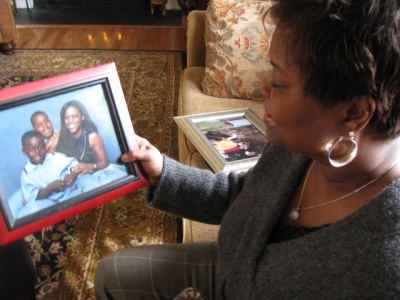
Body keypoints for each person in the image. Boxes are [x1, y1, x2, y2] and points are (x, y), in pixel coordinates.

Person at [94, 0, 400, 298]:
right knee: (112, 273)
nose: (262, 87)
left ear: (353, 113)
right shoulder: (299, 145)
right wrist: (162, 171)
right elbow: (249, 195)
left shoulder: (380, 267)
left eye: (279, 82)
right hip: (235, 268)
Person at [57, 100, 110, 176]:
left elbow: (105, 162)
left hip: (88, 178)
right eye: (66, 117)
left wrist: (90, 166)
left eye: (74, 116)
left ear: (82, 117)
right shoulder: (58, 137)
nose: (70, 121)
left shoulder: (92, 137)